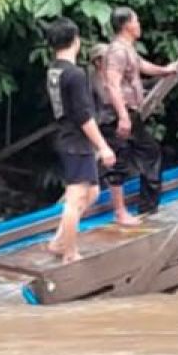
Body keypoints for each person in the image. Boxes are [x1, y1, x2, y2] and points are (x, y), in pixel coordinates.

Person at [43, 18, 116, 263]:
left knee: (93, 192)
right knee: (75, 199)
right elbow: (84, 115)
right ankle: (69, 252)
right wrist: (103, 146)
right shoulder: (75, 74)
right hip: (76, 140)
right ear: (75, 40)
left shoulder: (54, 69)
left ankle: (59, 241)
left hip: (66, 137)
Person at [103, 7, 177, 226]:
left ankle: (147, 206)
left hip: (130, 113)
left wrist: (164, 70)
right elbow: (112, 84)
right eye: (136, 20)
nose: (139, 24)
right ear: (127, 25)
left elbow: (141, 66)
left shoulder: (128, 50)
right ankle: (123, 212)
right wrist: (123, 115)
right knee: (120, 161)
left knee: (150, 151)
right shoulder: (117, 51)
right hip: (119, 113)